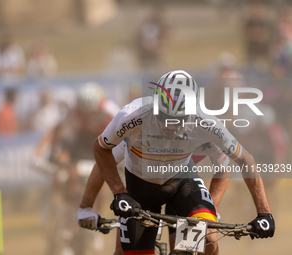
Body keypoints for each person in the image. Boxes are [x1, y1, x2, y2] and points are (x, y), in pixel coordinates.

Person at [92, 70, 274, 255]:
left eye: (178, 119)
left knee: (208, 238)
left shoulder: (205, 122)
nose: (170, 126)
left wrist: (264, 213)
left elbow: (245, 159)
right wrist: (119, 192)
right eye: (164, 117)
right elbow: (100, 148)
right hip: (140, 188)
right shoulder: (133, 115)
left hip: (182, 183)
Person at [77, 140, 230, 255]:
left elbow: (224, 167)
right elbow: (102, 162)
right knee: (122, 251)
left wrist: (213, 208)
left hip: (180, 188)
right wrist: (86, 207)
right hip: (143, 190)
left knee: (189, 247)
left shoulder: (204, 130)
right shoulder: (143, 132)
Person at [32, 83, 120, 255]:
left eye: (90, 112)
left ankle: (97, 221)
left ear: (98, 106)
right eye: (84, 112)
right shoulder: (73, 109)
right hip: (83, 141)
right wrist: (51, 152)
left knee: (101, 181)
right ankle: (69, 211)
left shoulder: (111, 110)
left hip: (103, 141)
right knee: (70, 171)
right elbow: (58, 129)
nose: (87, 115)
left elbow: (127, 130)